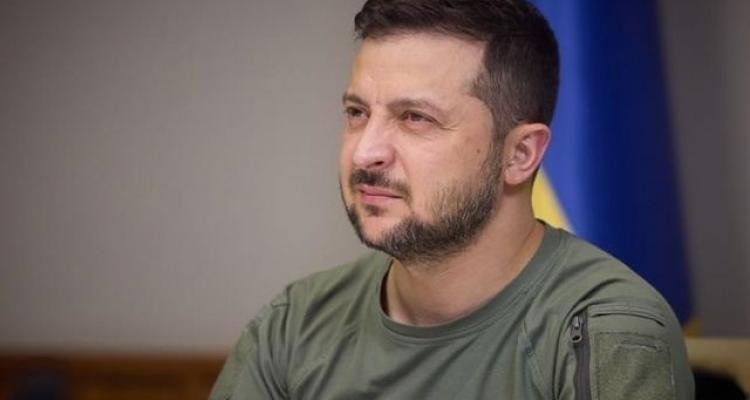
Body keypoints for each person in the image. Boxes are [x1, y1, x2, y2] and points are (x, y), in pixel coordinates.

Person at [210, 0, 694, 398]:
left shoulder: (606, 331)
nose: (365, 151)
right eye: (357, 113)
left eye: (415, 118)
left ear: (520, 154)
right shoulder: (294, 323)